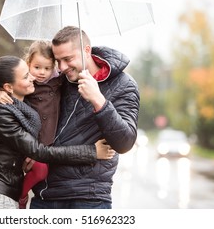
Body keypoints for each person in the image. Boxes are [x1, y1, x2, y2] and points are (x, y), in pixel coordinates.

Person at [0, 55, 114, 209]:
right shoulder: (1, 114)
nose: (32, 78)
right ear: (8, 87)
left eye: (29, 73)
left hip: (2, 197)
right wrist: (92, 152)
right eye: (25, 76)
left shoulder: (17, 108)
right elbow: (39, 151)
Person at [29, 26, 140, 209]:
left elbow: (125, 142)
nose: (62, 67)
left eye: (67, 59)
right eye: (58, 61)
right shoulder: (57, 80)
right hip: (45, 196)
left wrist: (99, 101)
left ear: (86, 50)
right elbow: (15, 81)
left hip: (89, 198)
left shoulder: (124, 85)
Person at [0, 40, 62, 208]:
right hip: (30, 139)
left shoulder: (58, 83)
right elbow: (0, 81)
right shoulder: (25, 85)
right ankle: (21, 196)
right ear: (28, 63)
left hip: (48, 141)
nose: (42, 73)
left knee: (44, 174)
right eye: (37, 67)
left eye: (47, 68)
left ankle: (22, 194)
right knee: (40, 171)